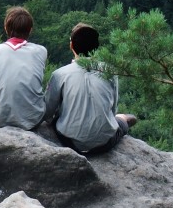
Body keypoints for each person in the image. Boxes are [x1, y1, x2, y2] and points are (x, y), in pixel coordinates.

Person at [43, 22, 137, 154]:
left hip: (70, 142)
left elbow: (47, 112)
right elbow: (112, 109)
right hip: (104, 143)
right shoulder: (110, 71)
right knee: (121, 118)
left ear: (71, 45)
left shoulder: (59, 74)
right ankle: (124, 119)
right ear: (97, 47)